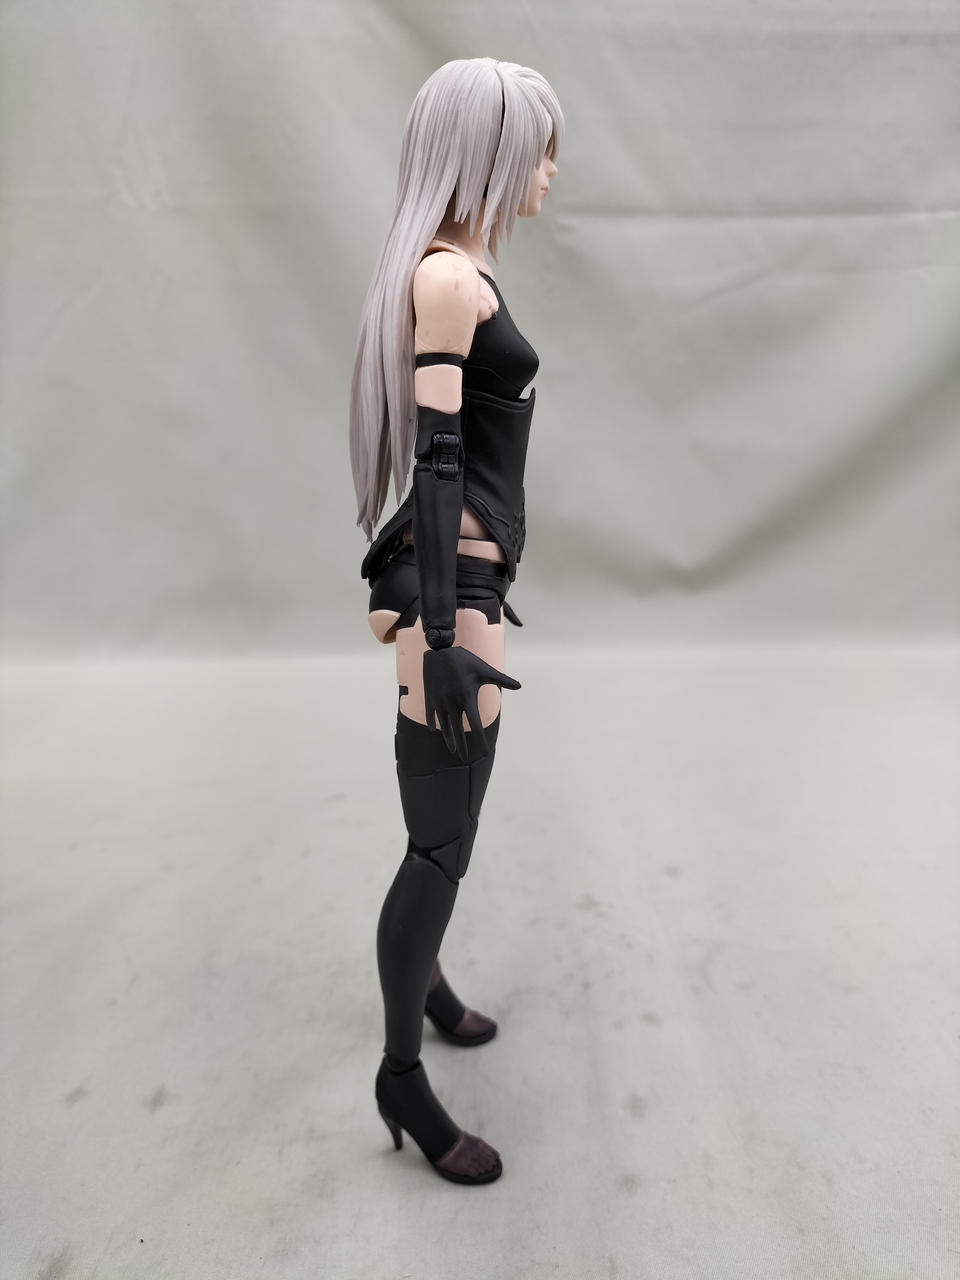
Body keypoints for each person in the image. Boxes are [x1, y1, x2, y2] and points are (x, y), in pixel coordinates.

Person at [349, 57, 563, 1185]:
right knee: (439, 846)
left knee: (453, 832)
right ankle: (400, 1077)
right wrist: (438, 635)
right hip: (453, 593)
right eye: (536, 147)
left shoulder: (464, 268)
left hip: (471, 582)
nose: (548, 170)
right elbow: (435, 465)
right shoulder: (446, 279)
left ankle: (425, 982)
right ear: (486, 150)